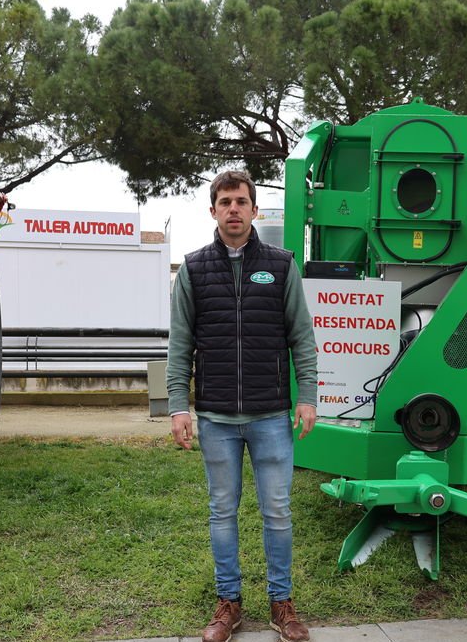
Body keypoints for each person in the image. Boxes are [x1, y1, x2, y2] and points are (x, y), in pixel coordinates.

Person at [167, 170, 318, 642]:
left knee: (277, 512)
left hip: (271, 415)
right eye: (225, 201)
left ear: (255, 210)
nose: (233, 209)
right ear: (212, 210)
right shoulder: (192, 269)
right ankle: (228, 603)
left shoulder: (281, 264)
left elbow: (302, 338)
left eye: (241, 201)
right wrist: (178, 405)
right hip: (215, 418)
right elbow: (180, 344)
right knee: (221, 512)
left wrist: (308, 397)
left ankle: (281, 604)